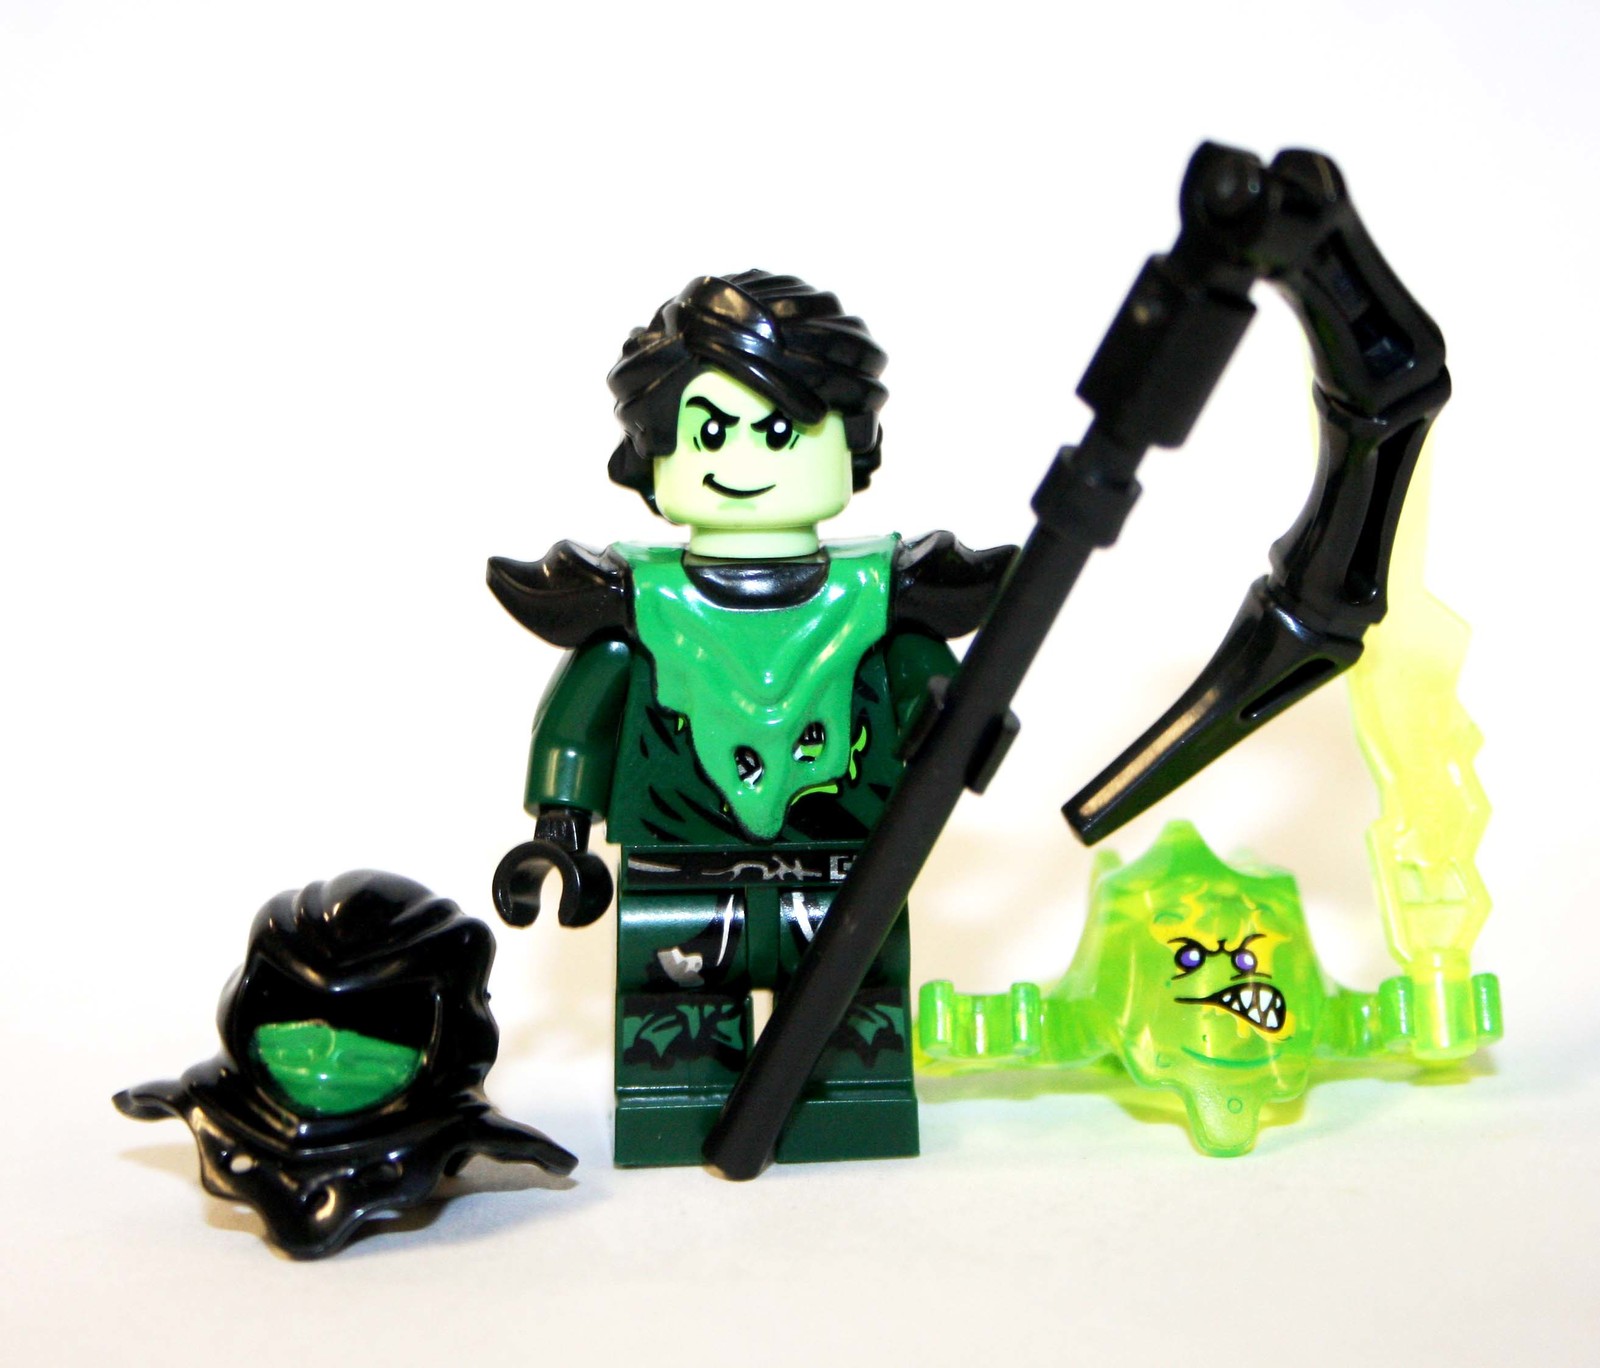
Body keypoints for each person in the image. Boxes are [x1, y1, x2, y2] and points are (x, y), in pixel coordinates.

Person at [489, 270, 1013, 1166]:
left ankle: (848, 1106)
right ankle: (677, 1108)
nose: (742, 459)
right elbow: (580, 721)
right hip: (679, 864)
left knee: (855, 1009)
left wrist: (955, 727)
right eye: (709, 431)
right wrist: (561, 831)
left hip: (846, 870)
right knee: (673, 1015)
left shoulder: (884, 600)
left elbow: (937, 694)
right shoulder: (634, 606)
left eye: (778, 432)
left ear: (851, 447)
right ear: (653, 453)